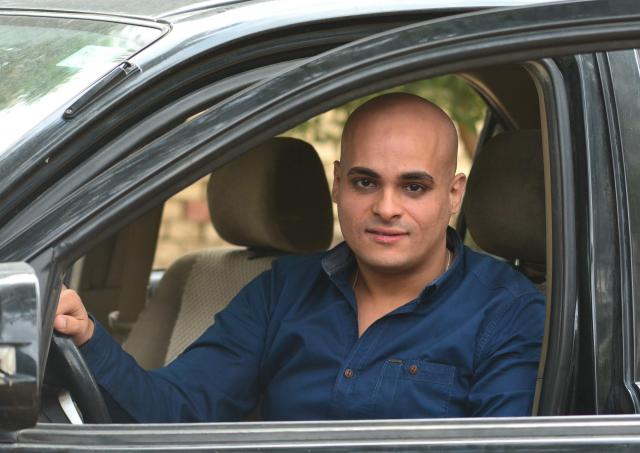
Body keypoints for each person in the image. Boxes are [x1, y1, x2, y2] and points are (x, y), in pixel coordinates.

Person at [55, 93, 545, 422]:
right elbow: (174, 411)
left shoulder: (508, 310)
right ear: (337, 184)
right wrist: (85, 336)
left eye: (413, 187)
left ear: (454, 195)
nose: (386, 207)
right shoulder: (281, 290)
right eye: (365, 182)